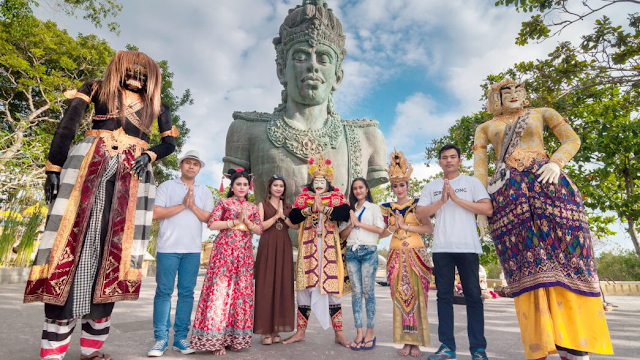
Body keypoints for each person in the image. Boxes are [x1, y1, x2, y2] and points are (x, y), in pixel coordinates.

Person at [24, 51, 177, 360]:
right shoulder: (96, 87)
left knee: (116, 252)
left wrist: (149, 155)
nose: (136, 76)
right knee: (69, 243)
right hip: (85, 166)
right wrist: (53, 169)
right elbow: (68, 125)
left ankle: (90, 351)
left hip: (132, 176)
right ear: (118, 69)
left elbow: (170, 144)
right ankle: (52, 352)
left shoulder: (158, 105)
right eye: (131, 70)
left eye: (143, 73)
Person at [473, 78, 613, 360]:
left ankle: (575, 343)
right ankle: (540, 342)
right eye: (505, 92)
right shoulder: (485, 128)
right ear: (495, 98)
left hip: (549, 184)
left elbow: (572, 139)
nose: (513, 95)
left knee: (569, 257)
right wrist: (481, 207)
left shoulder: (542, 112)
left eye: (517, 90)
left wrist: (555, 162)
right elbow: (480, 169)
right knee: (525, 265)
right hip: (508, 197)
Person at [223, 0, 388, 205]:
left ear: (337, 77)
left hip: (338, 237)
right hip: (275, 236)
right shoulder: (246, 131)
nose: (312, 66)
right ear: (281, 70)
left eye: (324, 58)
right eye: (301, 57)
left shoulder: (366, 137)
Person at [415, 144, 493, 360]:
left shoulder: (471, 182)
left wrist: (457, 199)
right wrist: (441, 201)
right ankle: (447, 347)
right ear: (439, 162)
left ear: (460, 160)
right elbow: (420, 213)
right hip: (442, 248)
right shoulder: (431, 186)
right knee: (444, 297)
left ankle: (478, 349)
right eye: (444, 157)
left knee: (474, 298)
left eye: (452, 157)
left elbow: (487, 209)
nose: (448, 160)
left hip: (468, 247)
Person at [147, 150, 214, 357]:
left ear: (199, 168)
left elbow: (209, 219)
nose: (192, 166)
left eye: (196, 164)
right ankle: (160, 339)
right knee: (164, 292)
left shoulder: (204, 191)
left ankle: (181, 339)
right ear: (181, 165)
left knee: (186, 294)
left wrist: (192, 205)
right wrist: (182, 205)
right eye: (188, 163)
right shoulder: (167, 186)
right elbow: (156, 214)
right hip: (168, 248)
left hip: (192, 250)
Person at [189, 168, 262, 355]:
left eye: (245, 184)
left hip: (244, 256)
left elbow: (259, 230)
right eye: (239, 184)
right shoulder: (224, 203)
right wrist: (234, 222)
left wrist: (247, 222)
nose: (242, 187)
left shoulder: (252, 207)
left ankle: (235, 339)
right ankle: (215, 341)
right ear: (232, 185)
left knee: (240, 296)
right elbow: (212, 224)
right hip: (224, 253)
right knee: (220, 294)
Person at [283, 154, 351, 347]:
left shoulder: (336, 197)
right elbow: (295, 217)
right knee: (305, 289)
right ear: (311, 183)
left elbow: (344, 213)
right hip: (309, 247)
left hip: (329, 246)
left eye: (322, 181)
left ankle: (339, 333)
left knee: (332, 291)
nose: (318, 184)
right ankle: (300, 332)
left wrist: (325, 210)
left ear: (328, 182)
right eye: (315, 181)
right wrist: (311, 209)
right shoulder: (304, 198)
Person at [380, 150, 434, 358]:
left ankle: (417, 343)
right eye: (395, 185)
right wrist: (394, 228)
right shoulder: (387, 209)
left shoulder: (418, 206)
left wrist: (407, 227)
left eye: (402, 185)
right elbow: (381, 233)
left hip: (416, 256)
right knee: (400, 299)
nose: (399, 189)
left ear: (408, 185)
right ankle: (405, 341)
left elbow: (429, 229)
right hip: (395, 256)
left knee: (418, 298)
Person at [339, 178, 385, 351]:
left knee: (368, 291)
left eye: (361, 187)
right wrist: (352, 225)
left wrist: (359, 224)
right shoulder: (349, 210)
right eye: (355, 188)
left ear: (366, 189)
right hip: (352, 251)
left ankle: (370, 331)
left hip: (368, 251)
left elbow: (380, 230)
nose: (358, 191)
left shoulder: (374, 208)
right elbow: (342, 235)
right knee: (356, 293)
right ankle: (359, 331)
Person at [254, 175, 299, 345]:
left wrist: (284, 217)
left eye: (281, 186)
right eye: (275, 185)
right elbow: (259, 228)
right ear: (270, 187)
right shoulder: (262, 205)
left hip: (284, 246)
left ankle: (276, 329)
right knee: (266, 285)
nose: (278, 188)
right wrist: (276, 217)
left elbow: (295, 226)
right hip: (267, 245)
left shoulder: (289, 206)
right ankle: (265, 331)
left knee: (282, 285)